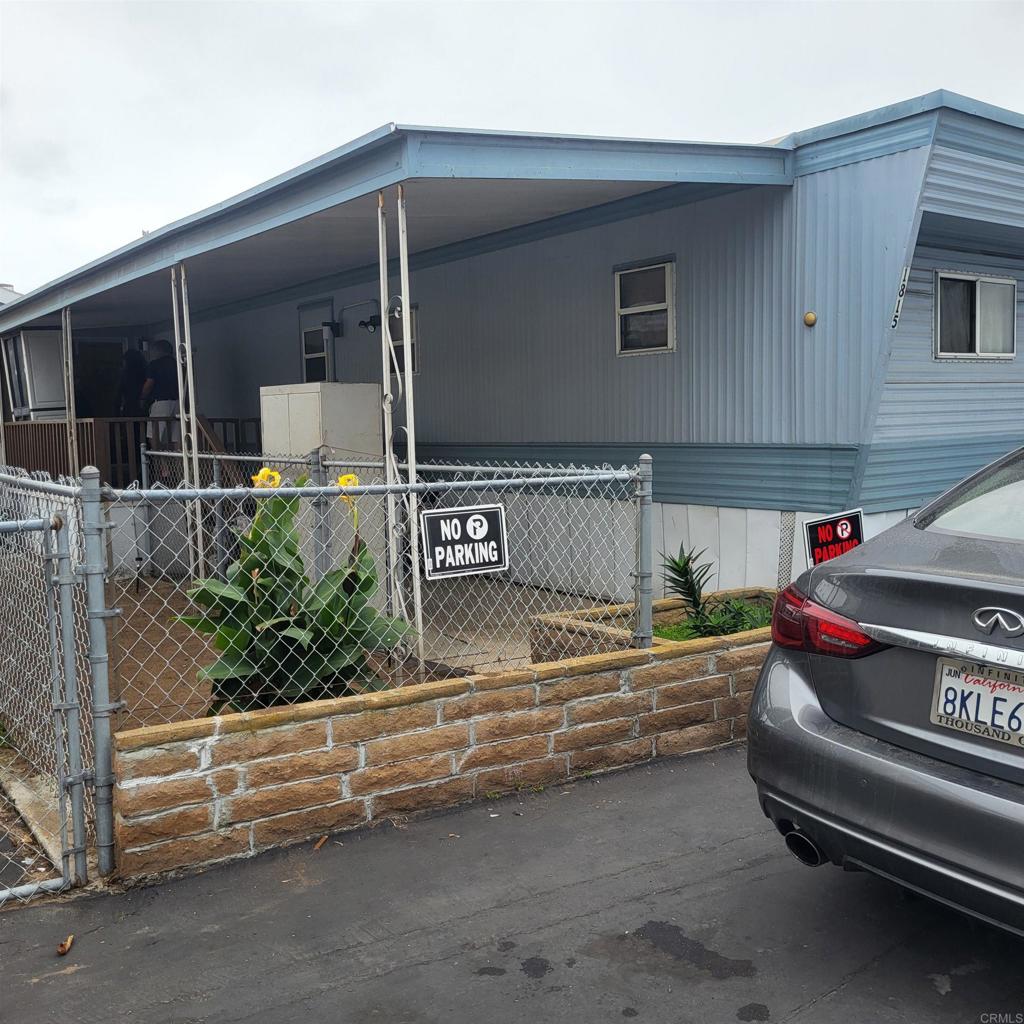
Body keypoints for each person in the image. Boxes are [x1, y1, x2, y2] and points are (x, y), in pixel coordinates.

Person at [141, 339, 180, 447]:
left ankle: (160, 463)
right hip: (178, 403)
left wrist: (141, 397)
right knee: (176, 436)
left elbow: (149, 384)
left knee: (154, 435)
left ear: (158, 351)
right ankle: (179, 462)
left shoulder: (154, 364)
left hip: (160, 403)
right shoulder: (179, 365)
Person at [117, 349, 148, 418]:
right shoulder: (145, 372)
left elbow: (119, 392)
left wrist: (119, 406)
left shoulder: (125, 374)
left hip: (130, 406)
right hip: (144, 406)